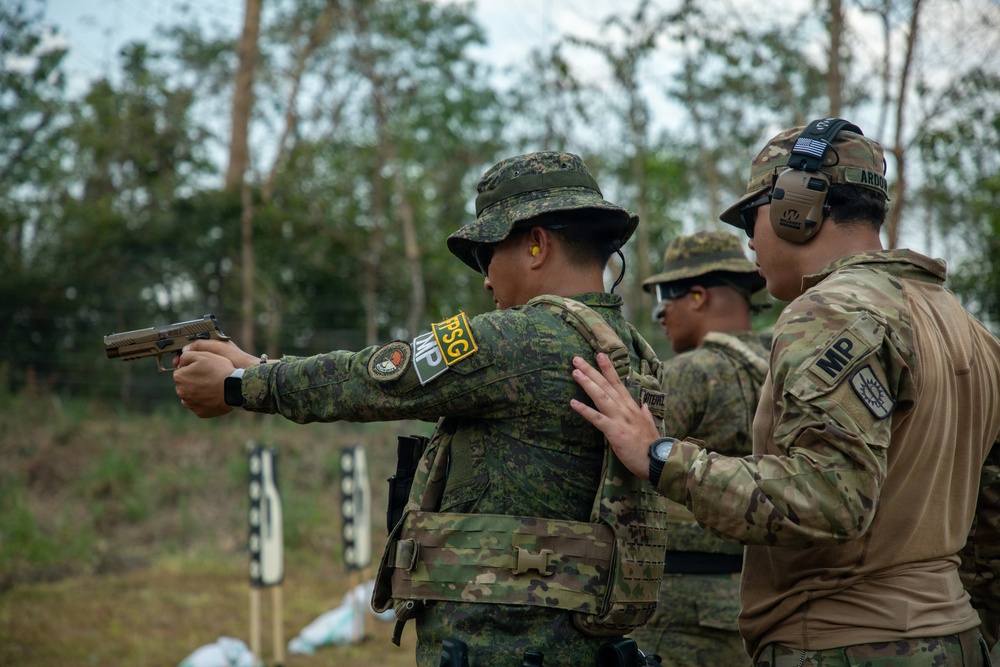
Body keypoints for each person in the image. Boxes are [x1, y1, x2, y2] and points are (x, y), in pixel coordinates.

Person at [173, 151, 668, 667]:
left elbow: (377, 377)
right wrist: (255, 366)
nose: (485, 280)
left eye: (487, 254)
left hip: (499, 646)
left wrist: (241, 384)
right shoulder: (634, 353)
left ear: (537, 244)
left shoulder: (513, 338)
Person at [568, 118, 1000, 666]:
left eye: (753, 216)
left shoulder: (831, 311)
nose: (748, 238)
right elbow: (991, 523)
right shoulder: (969, 329)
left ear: (799, 206)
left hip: (842, 643)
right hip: (958, 640)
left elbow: (829, 498)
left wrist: (660, 457)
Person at [632, 230, 769, 665]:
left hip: (681, 611)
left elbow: (626, 465)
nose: (660, 317)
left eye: (663, 302)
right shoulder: (787, 361)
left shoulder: (690, 373)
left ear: (695, 296)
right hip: (761, 597)